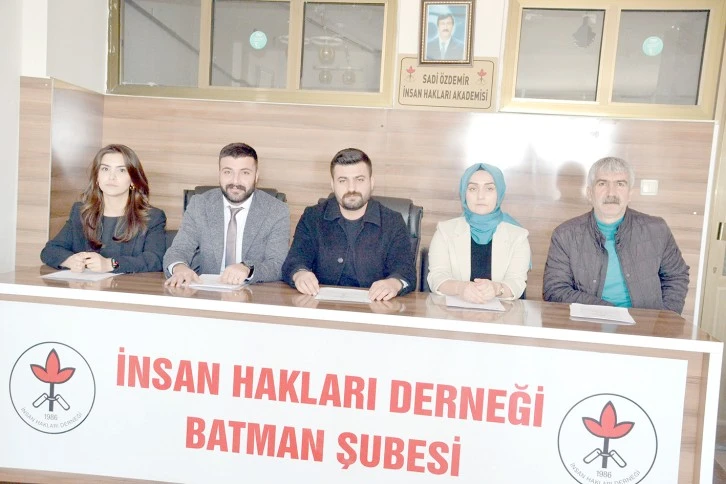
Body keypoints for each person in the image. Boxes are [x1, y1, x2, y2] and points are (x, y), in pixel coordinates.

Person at [543, 156, 689, 313]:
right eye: (602, 183)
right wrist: (609, 312)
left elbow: (677, 276)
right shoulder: (565, 235)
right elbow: (554, 289)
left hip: (645, 323)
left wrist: (664, 318)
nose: (611, 193)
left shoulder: (657, 230)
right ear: (590, 193)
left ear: (630, 194)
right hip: (588, 321)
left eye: (620, 184)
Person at [281, 148, 416, 301]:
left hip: (377, 307)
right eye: (343, 181)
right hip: (322, 307)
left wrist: (394, 283)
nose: (351, 188)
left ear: (371, 182)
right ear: (332, 184)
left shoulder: (393, 221)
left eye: (359, 180)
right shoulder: (313, 217)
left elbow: (406, 272)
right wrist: (300, 274)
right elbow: (294, 261)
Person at [163, 142, 290, 287]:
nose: (235, 181)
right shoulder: (200, 204)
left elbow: (277, 264)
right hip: (206, 292)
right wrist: (179, 268)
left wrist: (248, 269)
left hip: (254, 292)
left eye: (245, 173)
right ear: (219, 173)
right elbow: (178, 250)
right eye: (228, 172)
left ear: (256, 176)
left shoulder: (276, 210)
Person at [40, 144, 166, 273]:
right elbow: (50, 250)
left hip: (127, 285)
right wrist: (69, 260)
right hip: (85, 284)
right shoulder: (81, 212)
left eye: (121, 170)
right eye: (105, 169)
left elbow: (155, 259)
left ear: (133, 181)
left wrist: (111, 264)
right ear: (97, 178)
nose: (111, 177)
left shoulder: (153, 217)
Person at [427, 163, 530, 302]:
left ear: (499, 193)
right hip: (452, 312)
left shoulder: (518, 236)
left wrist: (496, 289)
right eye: (473, 188)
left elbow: (516, 282)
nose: (480, 196)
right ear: (464, 193)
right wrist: (460, 288)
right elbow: (437, 277)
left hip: (502, 312)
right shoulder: (444, 231)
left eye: (489, 188)